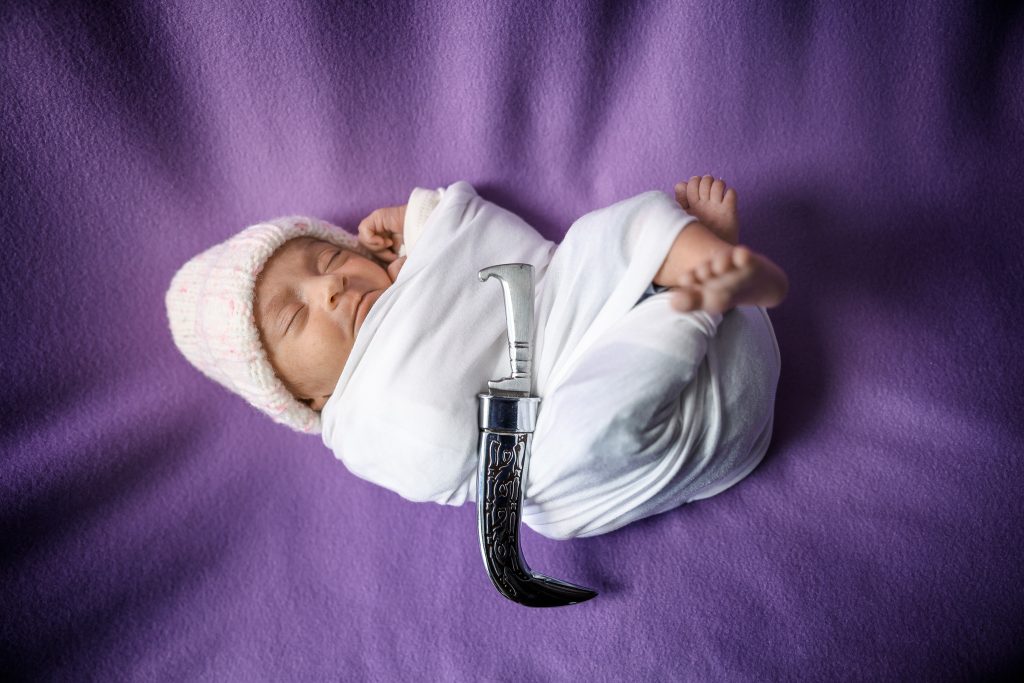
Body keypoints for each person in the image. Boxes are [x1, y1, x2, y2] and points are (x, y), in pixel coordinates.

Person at [166, 176, 787, 538]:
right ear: (307, 397)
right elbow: (444, 453)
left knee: (599, 238)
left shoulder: (419, 270)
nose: (329, 286)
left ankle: (699, 262)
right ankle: (697, 303)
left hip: (582, 318)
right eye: (295, 316)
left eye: (329, 258)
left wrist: (425, 221)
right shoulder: (357, 425)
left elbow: (500, 249)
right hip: (608, 435)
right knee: (564, 452)